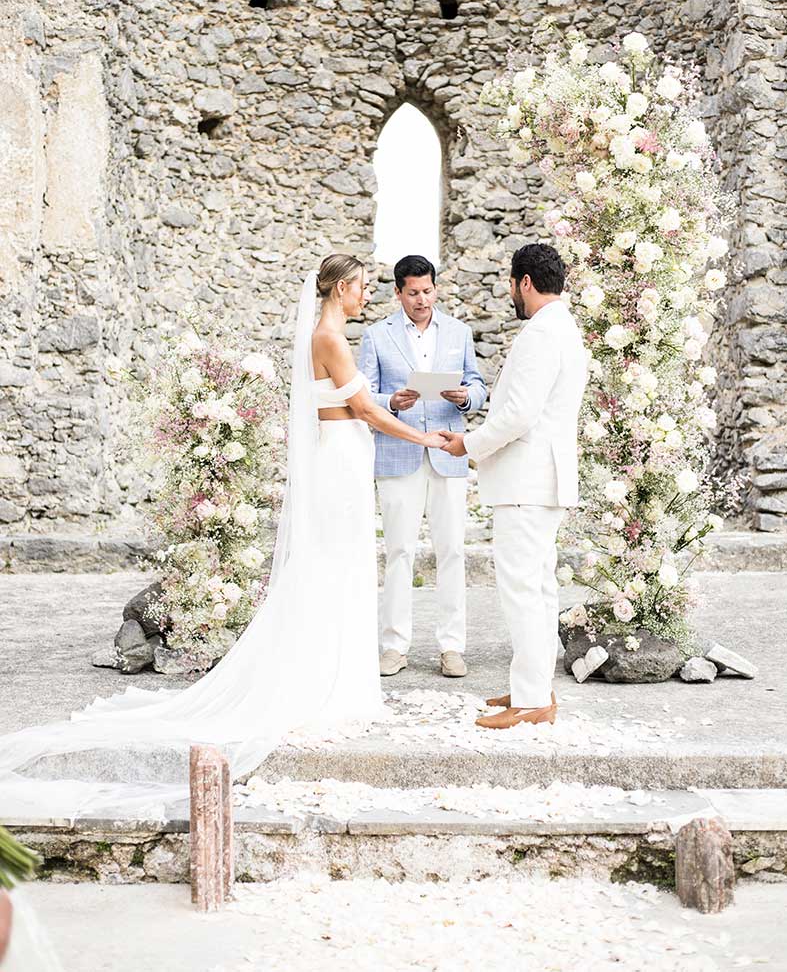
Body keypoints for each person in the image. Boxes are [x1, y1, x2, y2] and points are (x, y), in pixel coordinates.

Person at [0, 255, 448, 820]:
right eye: (361, 287)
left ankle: (333, 675)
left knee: (340, 568)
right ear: (338, 289)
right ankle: (326, 684)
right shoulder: (330, 337)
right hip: (340, 462)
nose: (366, 297)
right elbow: (363, 409)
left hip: (344, 458)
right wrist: (426, 439)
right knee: (333, 569)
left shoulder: (329, 334)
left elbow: (355, 407)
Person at [442, 244, 587, 729]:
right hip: (543, 478)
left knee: (523, 589)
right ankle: (535, 684)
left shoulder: (541, 333)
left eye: (511, 283)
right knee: (539, 588)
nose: (511, 292)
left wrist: (469, 444)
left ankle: (531, 699)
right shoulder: (565, 328)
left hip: (527, 479)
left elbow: (519, 416)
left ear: (524, 282)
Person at [359, 255, 487, 679]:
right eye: (413, 292)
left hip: (448, 452)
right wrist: (390, 402)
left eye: (428, 291)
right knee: (398, 551)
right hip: (398, 454)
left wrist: (465, 397)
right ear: (398, 292)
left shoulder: (459, 331)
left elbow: (480, 385)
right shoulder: (376, 337)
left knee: (452, 551)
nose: (422, 299)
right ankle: (394, 646)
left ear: (436, 288)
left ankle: (452, 647)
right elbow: (363, 395)